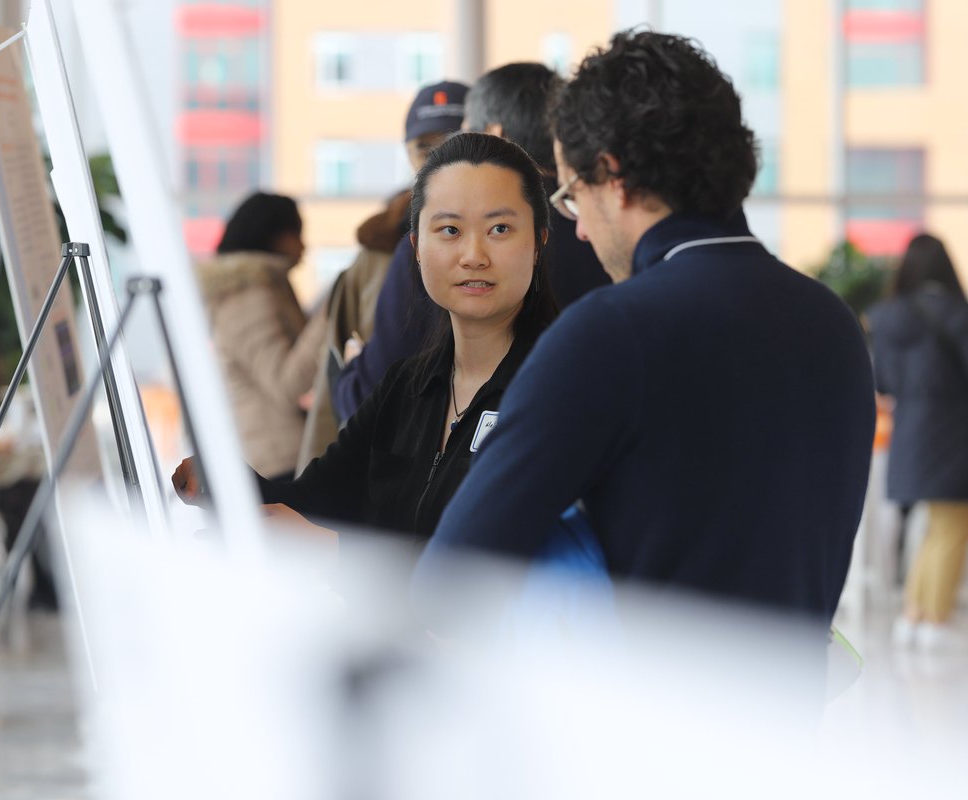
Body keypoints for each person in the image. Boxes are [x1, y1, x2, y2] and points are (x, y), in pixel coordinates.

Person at [419, 31, 876, 626]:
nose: (578, 230)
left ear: (614, 177)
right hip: (791, 706)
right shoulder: (833, 324)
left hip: (641, 711)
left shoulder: (611, 332)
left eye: (571, 196)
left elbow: (451, 578)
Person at [173, 133, 557, 544]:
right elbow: (313, 501)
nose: (474, 255)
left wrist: (337, 554)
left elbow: (492, 565)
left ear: (538, 242)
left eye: (500, 228)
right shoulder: (406, 386)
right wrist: (229, 483)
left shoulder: (558, 387)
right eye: (449, 230)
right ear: (416, 247)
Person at [331, 62, 610, 423]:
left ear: (494, 135)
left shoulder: (438, 242)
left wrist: (351, 373)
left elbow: (374, 401)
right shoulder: (602, 232)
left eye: (465, 137)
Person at [295, 80, 469, 468]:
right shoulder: (378, 252)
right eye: (424, 146)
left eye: (452, 139)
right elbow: (356, 386)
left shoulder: (516, 238)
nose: (436, 157)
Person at [868, 234, 968, 651]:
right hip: (955, 435)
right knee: (955, 527)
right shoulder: (956, 312)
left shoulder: (886, 315)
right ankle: (935, 620)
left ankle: (914, 616)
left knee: (936, 527)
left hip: (911, 432)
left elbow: (882, 381)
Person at [196, 192, 311, 481]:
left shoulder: (261, 286)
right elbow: (287, 384)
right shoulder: (247, 293)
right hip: (275, 460)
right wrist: (329, 318)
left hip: (273, 456)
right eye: (297, 233)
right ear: (274, 236)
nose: (303, 245)